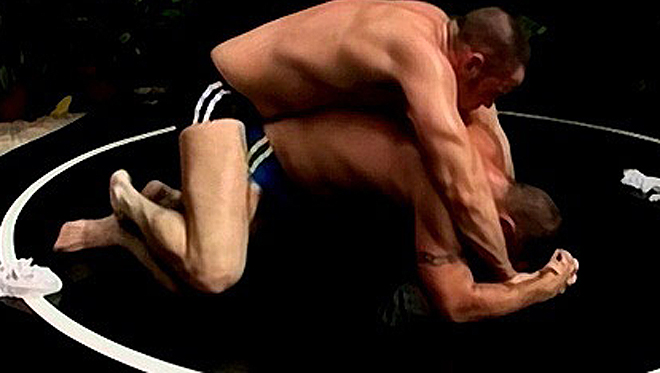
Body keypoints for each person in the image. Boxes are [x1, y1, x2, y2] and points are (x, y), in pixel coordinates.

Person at [53, 104, 578, 321]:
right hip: (275, 155)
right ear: (503, 225)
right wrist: (536, 287)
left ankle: (154, 212)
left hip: (316, 193)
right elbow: (456, 304)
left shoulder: (494, 155)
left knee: (213, 269)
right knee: (205, 276)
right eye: (504, 246)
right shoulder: (446, 186)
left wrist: (518, 273)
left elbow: (486, 110)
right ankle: (131, 204)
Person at [209, 0, 528, 280]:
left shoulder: (438, 25)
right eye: (496, 91)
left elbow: (489, 121)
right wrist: (507, 271)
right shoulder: (423, 58)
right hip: (226, 95)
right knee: (212, 266)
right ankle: (174, 207)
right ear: (473, 64)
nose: (488, 103)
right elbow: (460, 183)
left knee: (243, 229)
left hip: (273, 119)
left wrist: (512, 194)